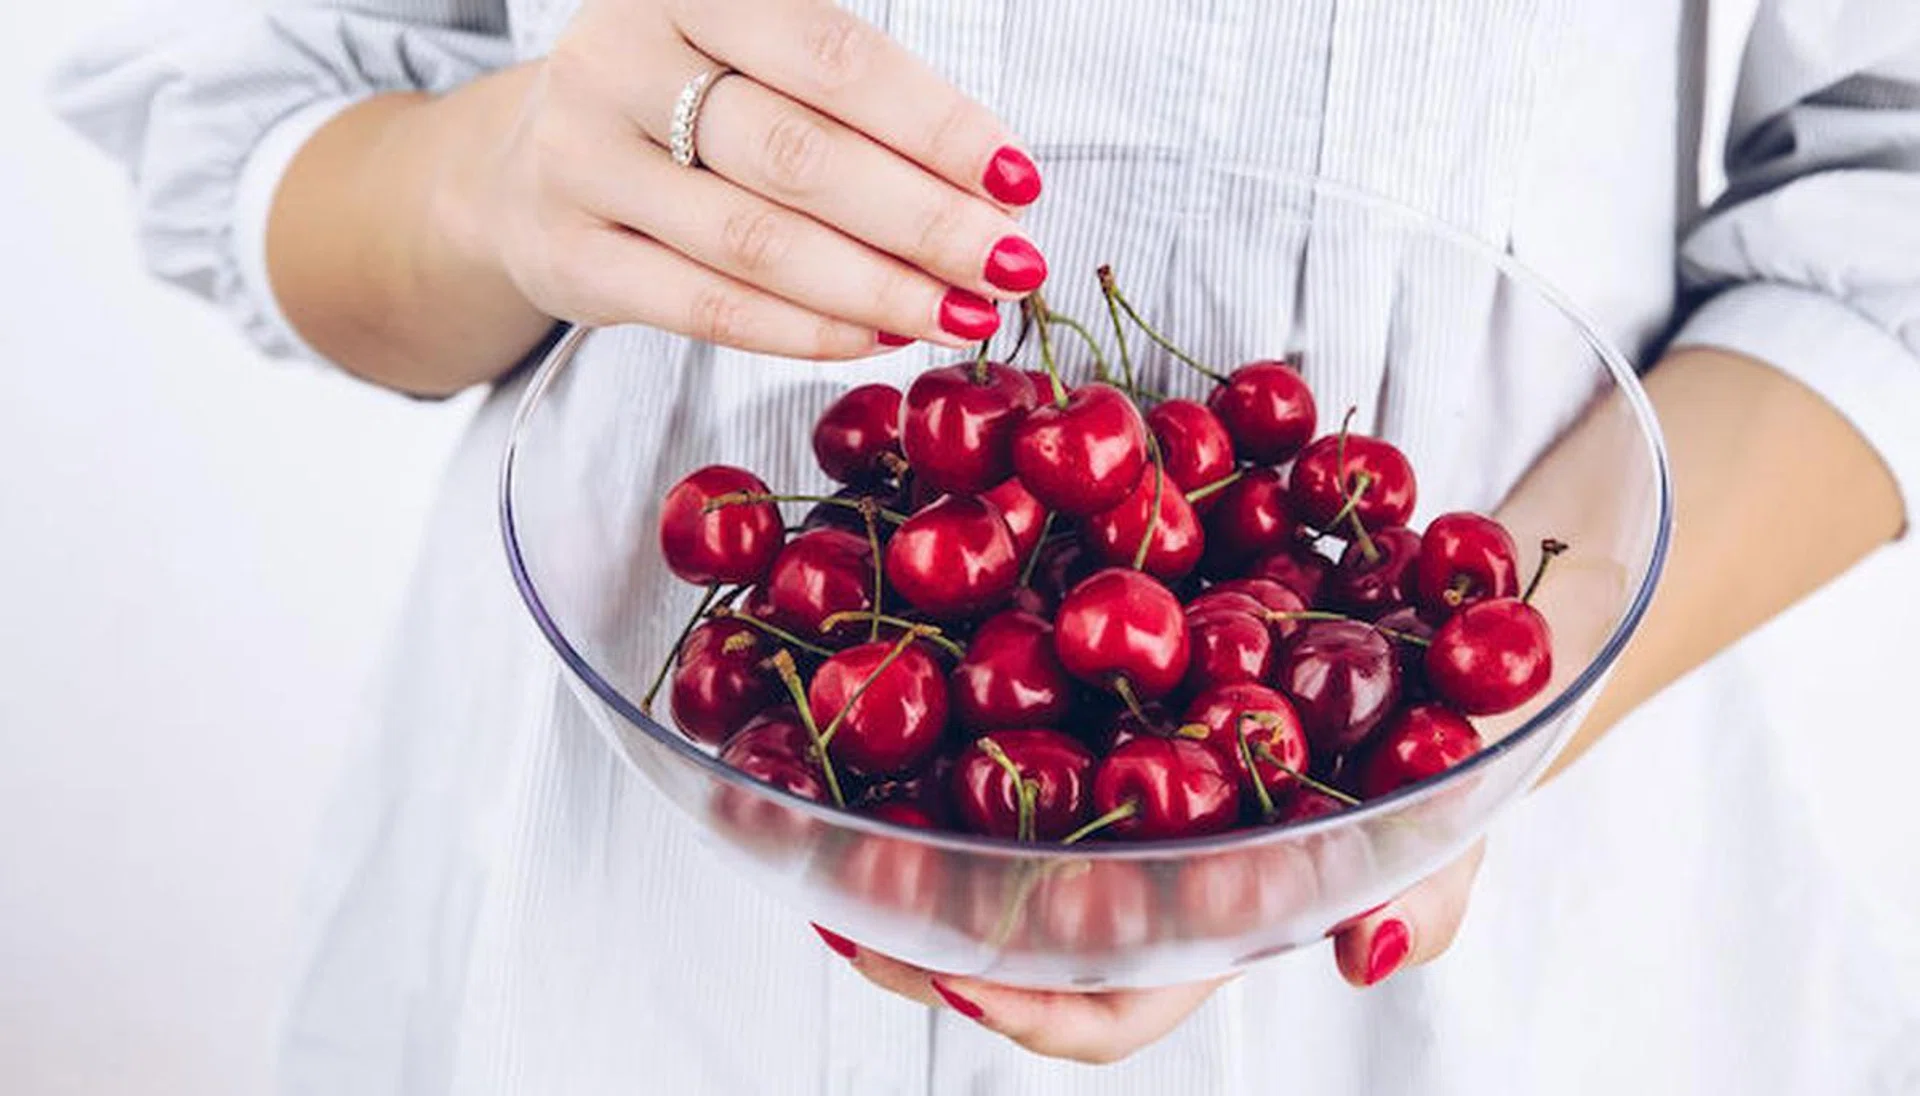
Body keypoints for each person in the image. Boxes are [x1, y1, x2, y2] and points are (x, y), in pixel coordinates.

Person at [52, 0, 1920, 1091]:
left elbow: (1888, 200)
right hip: (630, 904)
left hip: (1497, 942)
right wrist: (487, 175)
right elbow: (246, 104)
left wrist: (1469, 728)